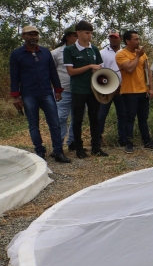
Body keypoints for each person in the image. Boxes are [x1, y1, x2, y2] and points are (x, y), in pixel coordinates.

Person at [10, 25, 70, 163]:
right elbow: (14, 76)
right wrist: (16, 96)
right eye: (30, 34)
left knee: (55, 123)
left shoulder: (45, 52)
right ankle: (39, 152)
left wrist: (58, 90)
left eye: (35, 34)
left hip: (47, 93)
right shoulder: (17, 54)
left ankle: (58, 151)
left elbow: (52, 73)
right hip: (29, 94)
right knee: (33, 125)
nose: (33, 37)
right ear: (23, 36)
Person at [64, 20, 107, 158]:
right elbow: (71, 72)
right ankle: (79, 148)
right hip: (78, 89)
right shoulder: (69, 50)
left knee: (95, 118)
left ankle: (96, 147)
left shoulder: (93, 49)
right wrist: (89, 67)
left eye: (91, 33)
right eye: (87, 33)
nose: (90, 36)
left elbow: (100, 67)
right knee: (77, 120)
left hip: (94, 90)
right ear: (78, 33)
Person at [116, 30, 153, 153]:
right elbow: (129, 69)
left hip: (142, 90)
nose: (138, 41)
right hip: (129, 92)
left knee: (143, 118)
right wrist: (138, 55)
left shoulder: (143, 54)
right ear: (127, 41)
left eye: (138, 39)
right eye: (135, 39)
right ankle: (129, 143)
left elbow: (148, 71)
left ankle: (147, 141)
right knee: (130, 118)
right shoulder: (121, 54)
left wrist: (151, 88)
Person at [97, 29, 126, 146]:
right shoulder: (102, 53)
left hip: (122, 89)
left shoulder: (125, 52)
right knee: (101, 115)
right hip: (106, 89)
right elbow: (100, 71)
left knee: (123, 115)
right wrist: (110, 87)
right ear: (108, 38)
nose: (113, 39)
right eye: (111, 37)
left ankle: (123, 139)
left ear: (120, 38)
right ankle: (97, 139)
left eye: (115, 37)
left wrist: (119, 87)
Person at [51, 25, 78, 150]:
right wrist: (56, 88)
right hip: (63, 91)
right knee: (61, 118)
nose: (78, 38)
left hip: (79, 91)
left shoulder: (82, 52)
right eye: (75, 36)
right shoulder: (56, 53)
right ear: (68, 37)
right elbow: (51, 72)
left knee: (77, 118)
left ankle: (72, 142)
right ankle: (59, 144)